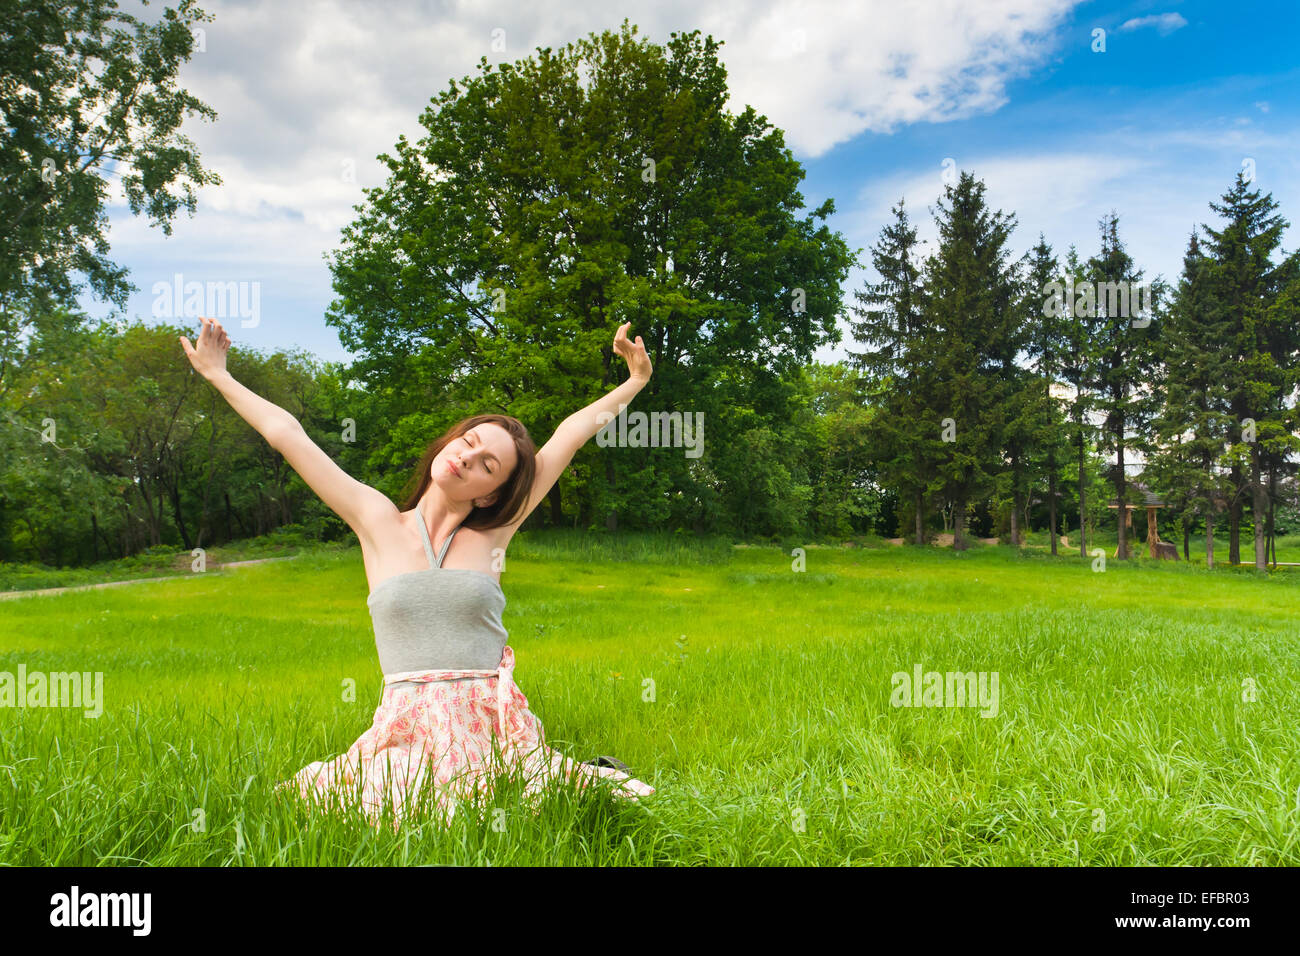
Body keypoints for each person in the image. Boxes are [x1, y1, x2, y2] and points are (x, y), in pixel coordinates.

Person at [180, 316, 655, 829]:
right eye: (469, 442)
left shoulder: (495, 532)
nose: (466, 458)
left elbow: (571, 435)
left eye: (487, 465)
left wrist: (634, 382)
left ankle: (583, 774)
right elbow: (287, 435)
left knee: (517, 806)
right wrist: (218, 374)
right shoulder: (375, 519)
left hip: (488, 723)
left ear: (491, 494)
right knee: (385, 807)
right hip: (406, 725)